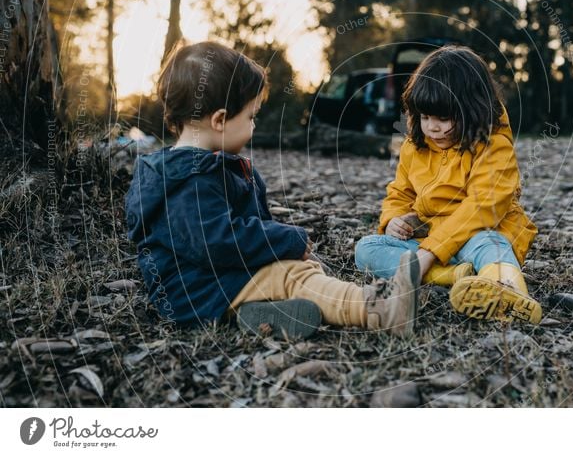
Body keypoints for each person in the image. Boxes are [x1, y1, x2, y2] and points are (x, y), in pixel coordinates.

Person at [125, 41, 419, 339]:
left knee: (295, 268)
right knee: (294, 275)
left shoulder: (211, 167)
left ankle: (262, 312)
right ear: (220, 120)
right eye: (251, 117)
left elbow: (245, 232)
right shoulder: (189, 181)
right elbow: (220, 242)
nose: (253, 126)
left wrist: (283, 249)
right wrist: (286, 240)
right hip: (196, 291)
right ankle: (378, 309)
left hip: (216, 281)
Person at [355, 45, 542, 324]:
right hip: (429, 238)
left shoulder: (493, 146)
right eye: (425, 117)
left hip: (479, 233)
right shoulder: (415, 145)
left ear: (472, 110)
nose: (433, 128)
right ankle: (457, 277)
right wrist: (394, 219)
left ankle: (508, 291)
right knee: (366, 249)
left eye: (444, 118)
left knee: (490, 244)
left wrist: (430, 251)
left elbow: (483, 206)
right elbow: (400, 192)